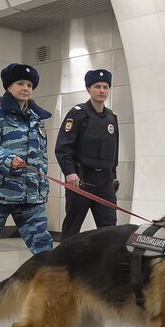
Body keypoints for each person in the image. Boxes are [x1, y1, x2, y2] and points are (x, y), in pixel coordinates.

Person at [0, 63, 54, 287]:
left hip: (30, 195)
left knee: (43, 245)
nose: (25, 88)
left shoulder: (36, 118)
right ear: (8, 87)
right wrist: (8, 160)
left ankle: (48, 286)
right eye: (20, 84)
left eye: (29, 85)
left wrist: (42, 186)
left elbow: (41, 156)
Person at [55, 69, 120, 239]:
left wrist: (113, 175)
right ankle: (63, 263)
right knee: (72, 227)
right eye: (97, 86)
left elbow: (114, 151)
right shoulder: (78, 114)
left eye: (106, 87)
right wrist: (69, 172)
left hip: (105, 182)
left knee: (109, 229)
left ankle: (105, 265)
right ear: (88, 89)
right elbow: (63, 147)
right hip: (81, 180)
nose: (102, 91)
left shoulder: (111, 117)